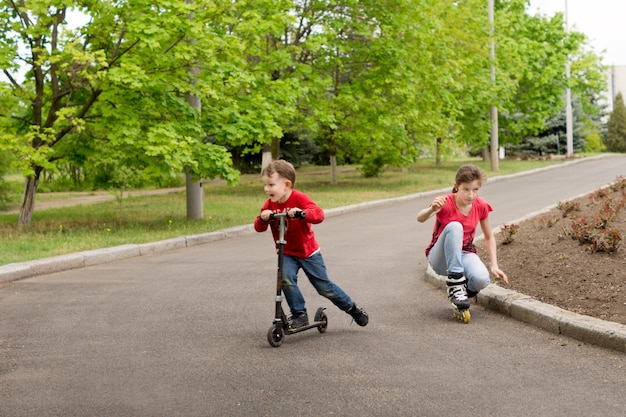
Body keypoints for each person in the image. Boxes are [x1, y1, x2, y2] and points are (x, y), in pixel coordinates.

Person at [254, 160, 369, 328]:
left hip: (308, 253)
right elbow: (258, 227)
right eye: (265, 185)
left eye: (271, 185)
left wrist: (302, 213)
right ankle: (299, 314)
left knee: (324, 288)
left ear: (287, 185)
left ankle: (353, 309)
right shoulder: (270, 204)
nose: (266, 189)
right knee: (285, 279)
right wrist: (263, 218)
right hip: (286, 252)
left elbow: (318, 214)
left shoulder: (299, 198)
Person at [416, 165, 508, 312]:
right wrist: (432, 209)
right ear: (456, 186)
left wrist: (494, 265)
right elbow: (420, 218)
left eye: (475, 190)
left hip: (464, 253)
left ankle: (459, 293)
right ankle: (456, 282)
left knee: (481, 279)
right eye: (466, 189)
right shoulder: (445, 202)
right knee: (455, 226)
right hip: (441, 258)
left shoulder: (481, 206)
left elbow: (489, 236)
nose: (471, 195)